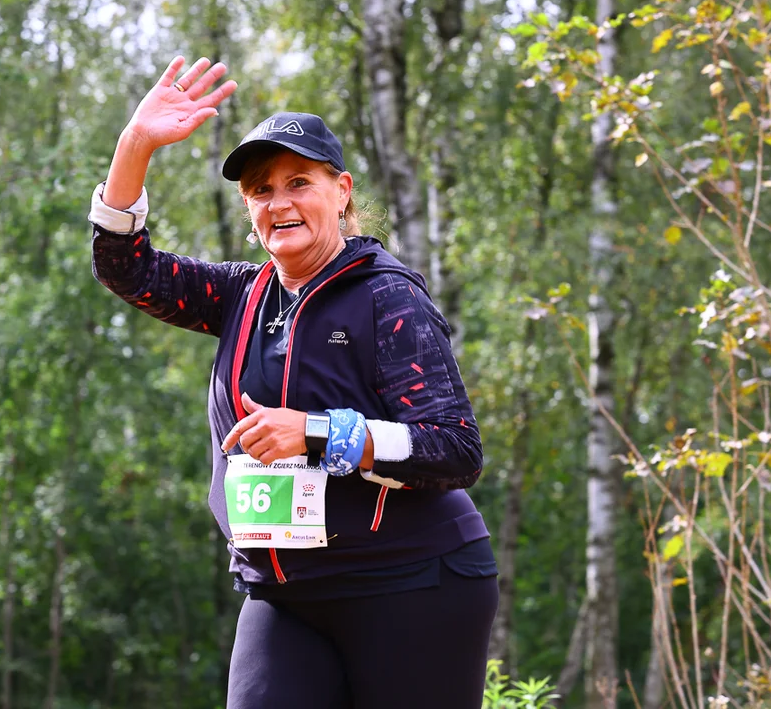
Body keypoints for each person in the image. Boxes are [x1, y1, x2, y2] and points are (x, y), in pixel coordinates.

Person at [90, 56, 498, 709]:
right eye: (260, 189)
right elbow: (124, 268)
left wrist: (316, 434)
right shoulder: (236, 293)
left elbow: (454, 448)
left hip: (412, 585)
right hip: (284, 595)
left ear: (341, 190)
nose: (278, 203)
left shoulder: (386, 298)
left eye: (298, 182)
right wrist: (134, 146)